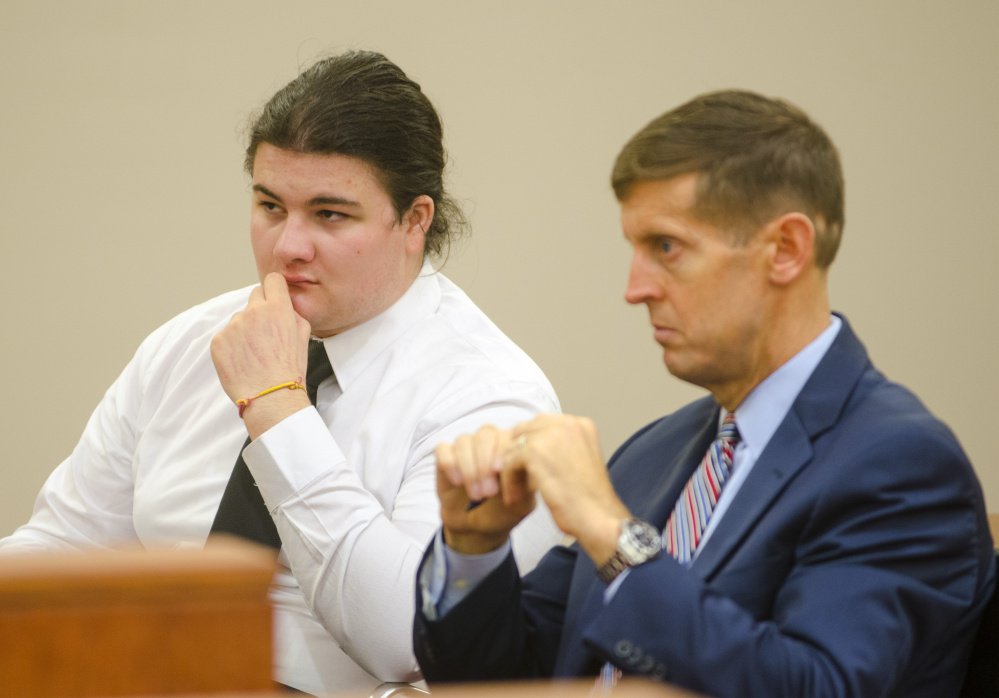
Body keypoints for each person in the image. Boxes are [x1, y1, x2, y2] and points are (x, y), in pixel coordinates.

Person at [0, 50, 562, 695]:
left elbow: (408, 644)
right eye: (271, 206)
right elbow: (64, 544)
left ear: (414, 220)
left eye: (329, 214)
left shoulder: (489, 394)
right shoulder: (189, 343)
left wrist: (277, 409)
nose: (288, 246)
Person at [413, 89, 996, 697]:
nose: (634, 289)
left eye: (666, 248)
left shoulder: (901, 464)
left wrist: (613, 534)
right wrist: (472, 546)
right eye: (635, 250)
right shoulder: (655, 452)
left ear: (786, 249)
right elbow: (504, 679)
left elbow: (815, 687)